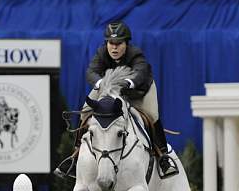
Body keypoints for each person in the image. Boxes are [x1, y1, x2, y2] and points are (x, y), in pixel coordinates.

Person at [55, 21, 179, 179]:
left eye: (118, 43)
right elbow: (91, 71)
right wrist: (101, 83)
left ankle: (163, 157)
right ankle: (75, 157)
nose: (114, 47)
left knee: (152, 115)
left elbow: (141, 72)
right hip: (109, 88)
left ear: (126, 43)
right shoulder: (101, 53)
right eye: (110, 43)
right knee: (85, 112)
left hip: (138, 90)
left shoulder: (135, 54)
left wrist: (128, 82)